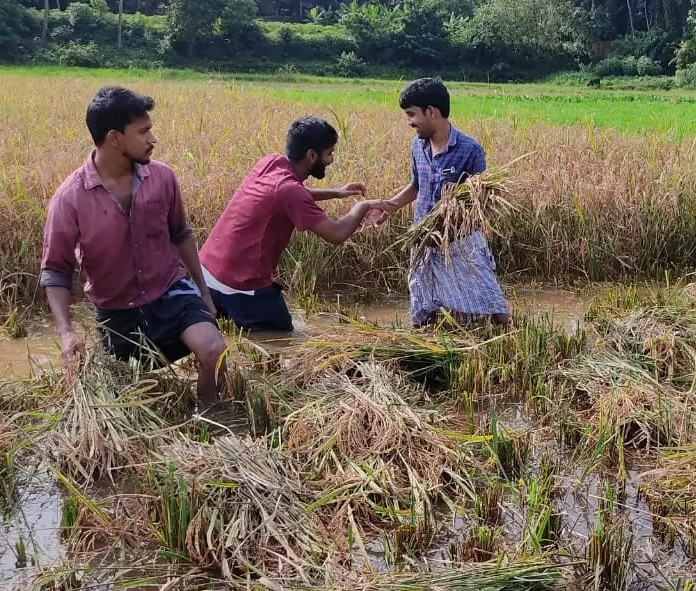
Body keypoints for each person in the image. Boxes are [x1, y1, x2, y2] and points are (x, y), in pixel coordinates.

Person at [40, 86, 229, 406]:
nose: (152, 139)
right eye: (143, 132)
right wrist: (66, 332)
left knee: (214, 351)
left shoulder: (163, 178)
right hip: (118, 312)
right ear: (115, 138)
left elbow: (180, 234)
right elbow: (56, 270)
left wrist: (204, 292)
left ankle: (211, 423)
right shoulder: (70, 198)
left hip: (170, 294)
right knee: (128, 397)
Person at [198, 117, 390, 333]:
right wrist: (363, 206)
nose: (331, 160)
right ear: (311, 155)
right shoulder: (290, 191)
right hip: (240, 287)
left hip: (206, 276)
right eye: (329, 153)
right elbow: (336, 234)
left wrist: (336, 192)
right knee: (282, 343)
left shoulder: (270, 163)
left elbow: (287, 195)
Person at [381, 77, 511, 328]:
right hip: (423, 238)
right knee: (423, 296)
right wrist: (389, 206)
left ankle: (507, 335)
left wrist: (454, 210)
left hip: (459, 242)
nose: (409, 123)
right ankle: (424, 342)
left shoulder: (469, 149)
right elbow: (416, 185)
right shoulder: (418, 146)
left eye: (412, 115)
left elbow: (479, 202)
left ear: (432, 112)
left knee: (489, 298)